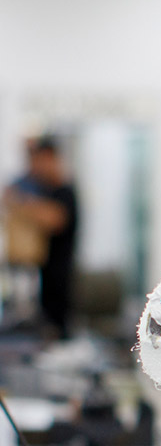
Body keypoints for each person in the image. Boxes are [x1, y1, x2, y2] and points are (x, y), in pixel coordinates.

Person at [2, 134, 79, 339]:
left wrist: (21, 202)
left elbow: (55, 219)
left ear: (51, 158)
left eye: (39, 160)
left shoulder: (65, 191)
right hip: (43, 279)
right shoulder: (43, 189)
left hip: (62, 282)